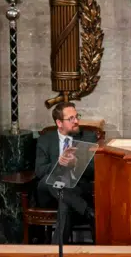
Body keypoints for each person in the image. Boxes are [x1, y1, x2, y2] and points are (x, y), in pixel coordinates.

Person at [33, 101, 96, 239]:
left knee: (65, 204)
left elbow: (94, 170)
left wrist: (76, 163)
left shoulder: (88, 137)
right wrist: (59, 163)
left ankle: (56, 252)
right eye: (71, 118)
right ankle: (87, 212)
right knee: (50, 180)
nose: (76, 121)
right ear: (59, 123)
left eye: (76, 116)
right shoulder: (45, 139)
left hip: (74, 189)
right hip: (49, 194)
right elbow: (39, 170)